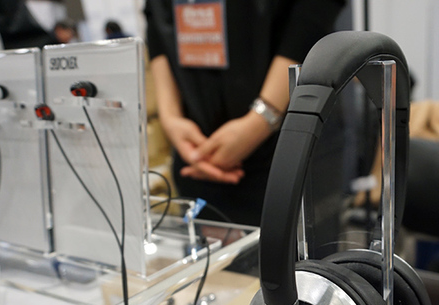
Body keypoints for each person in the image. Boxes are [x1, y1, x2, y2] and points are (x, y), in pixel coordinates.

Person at [145, 0, 346, 226]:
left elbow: (315, 11)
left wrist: (261, 119)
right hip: (197, 155)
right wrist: (170, 118)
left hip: (287, 143)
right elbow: (155, 15)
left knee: (294, 244)